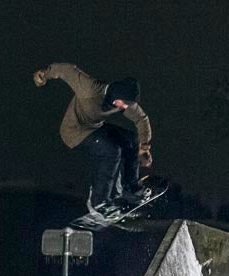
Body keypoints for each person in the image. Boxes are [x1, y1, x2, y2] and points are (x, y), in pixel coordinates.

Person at [33, 63, 153, 211]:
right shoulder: (90, 89)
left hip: (96, 127)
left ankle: (130, 188)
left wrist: (143, 148)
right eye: (124, 103)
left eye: (128, 105)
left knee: (131, 139)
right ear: (115, 95)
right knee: (111, 150)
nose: (125, 107)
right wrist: (44, 74)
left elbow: (141, 119)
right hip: (74, 131)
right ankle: (100, 202)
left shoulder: (124, 102)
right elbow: (67, 71)